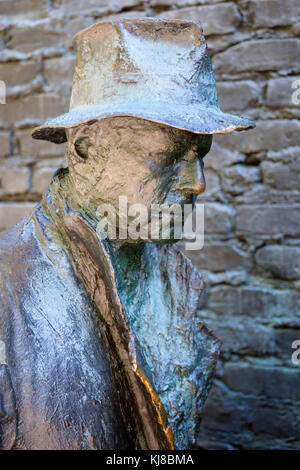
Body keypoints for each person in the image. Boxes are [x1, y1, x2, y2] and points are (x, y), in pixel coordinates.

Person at [0, 18, 254, 450]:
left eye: (201, 156)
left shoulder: (171, 275)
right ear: (85, 150)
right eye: (168, 157)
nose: (197, 184)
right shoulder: (8, 289)